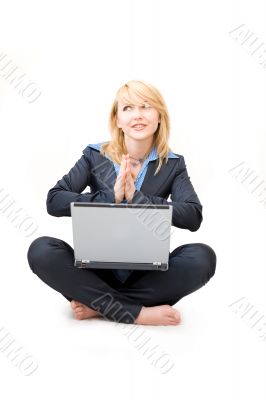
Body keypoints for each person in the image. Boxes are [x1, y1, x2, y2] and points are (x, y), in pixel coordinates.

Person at [27, 80, 217, 326]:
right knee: (41, 250)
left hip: (147, 274)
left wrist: (138, 198)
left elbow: (192, 216)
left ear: (159, 116)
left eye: (146, 106)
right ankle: (137, 313)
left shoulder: (172, 164)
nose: (137, 115)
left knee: (203, 257)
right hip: (95, 270)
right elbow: (54, 200)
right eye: (128, 108)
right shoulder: (94, 156)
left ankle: (101, 305)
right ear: (117, 119)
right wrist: (111, 197)